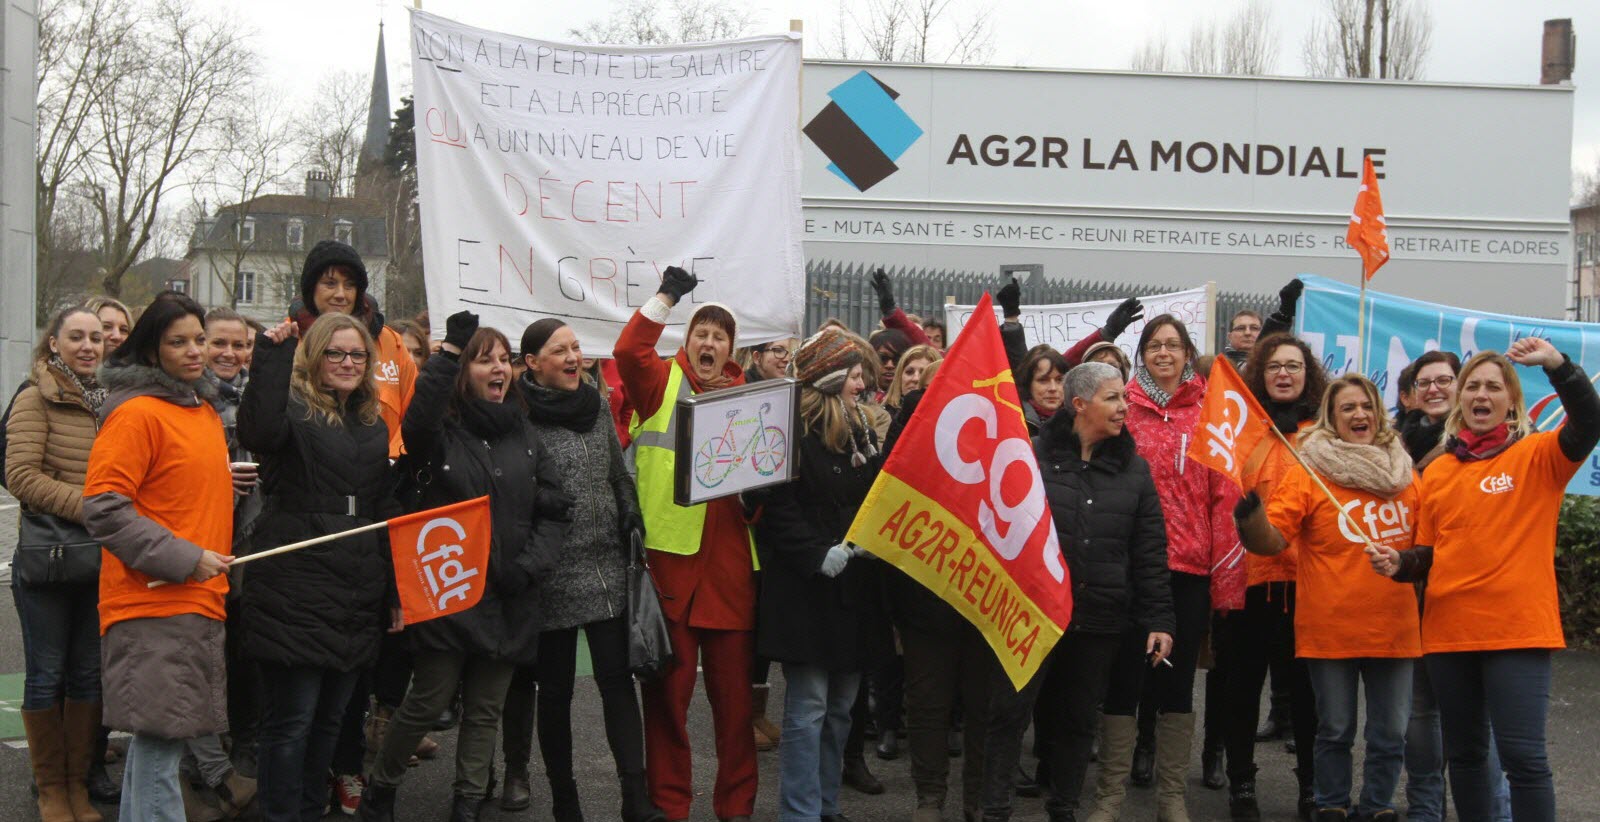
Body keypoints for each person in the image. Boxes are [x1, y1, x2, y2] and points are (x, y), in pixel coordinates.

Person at [1370, 337, 1600, 822]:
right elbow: (1431, 552)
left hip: (1516, 631)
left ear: (1510, 400)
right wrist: (1400, 564)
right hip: (1449, 633)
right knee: (1467, 758)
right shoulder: (1438, 471)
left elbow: (1589, 421)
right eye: (1472, 385)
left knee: (1524, 760)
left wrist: (1558, 365)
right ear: (1460, 399)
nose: (1481, 394)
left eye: (1493, 387)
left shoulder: (1540, 456)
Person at [360, 312, 570, 822]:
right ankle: (381, 789)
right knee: (426, 700)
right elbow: (417, 420)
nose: (498, 367)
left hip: (510, 594)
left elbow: (555, 509)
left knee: (484, 711)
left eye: (504, 359)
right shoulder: (440, 435)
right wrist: (450, 347)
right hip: (449, 590)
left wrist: (529, 567)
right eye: (484, 359)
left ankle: (468, 801)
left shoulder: (526, 435)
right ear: (463, 373)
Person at [988, 361, 1176, 822]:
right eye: (1113, 398)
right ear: (1079, 404)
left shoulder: (1135, 472)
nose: (1124, 407)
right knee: (1010, 714)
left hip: (1098, 617)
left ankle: (1064, 807)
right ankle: (993, 810)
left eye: (1125, 398)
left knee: (1077, 721)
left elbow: (1149, 553)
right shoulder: (1029, 457)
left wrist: (1159, 621)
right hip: (1031, 616)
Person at [1235, 374, 1422, 822]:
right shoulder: (1309, 473)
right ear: (1331, 418)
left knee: (1390, 732)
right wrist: (1250, 521)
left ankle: (1377, 805)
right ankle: (1331, 804)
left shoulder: (1407, 474)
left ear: (1378, 413)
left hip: (1394, 627)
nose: (1359, 415)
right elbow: (1272, 541)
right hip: (1330, 627)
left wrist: (1408, 560)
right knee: (1335, 729)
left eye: (1365, 406)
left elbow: (1429, 545)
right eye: (1347, 409)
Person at [233, 313, 397, 822]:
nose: (348, 363)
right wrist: (271, 357)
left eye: (358, 355)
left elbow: (382, 509)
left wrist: (391, 590)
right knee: (292, 721)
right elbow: (257, 429)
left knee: (330, 721)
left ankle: (310, 808)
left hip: (355, 586)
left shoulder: (374, 423)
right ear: (316, 355)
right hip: (295, 585)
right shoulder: (291, 407)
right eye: (336, 353)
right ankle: (282, 813)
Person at [498, 318, 663, 822]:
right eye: (559, 350)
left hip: (605, 568)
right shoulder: (517, 417)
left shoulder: (595, 405)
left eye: (575, 348)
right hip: (550, 575)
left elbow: (617, 471)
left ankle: (635, 799)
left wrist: (628, 507)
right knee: (556, 694)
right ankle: (565, 802)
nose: (573, 357)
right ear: (532, 363)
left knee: (618, 684)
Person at [82, 292, 238, 821]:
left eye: (198, 338)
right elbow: (103, 509)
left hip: (196, 600)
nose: (196, 351)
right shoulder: (136, 413)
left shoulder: (201, 411)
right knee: (160, 748)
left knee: (158, 748)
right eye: (179, 342)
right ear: (151, 352)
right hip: (152, 602)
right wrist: (184, 558)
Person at [615, 266, 759, 822]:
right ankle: (671, 806)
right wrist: (667, 296)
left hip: (728, 575)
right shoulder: (660, 384)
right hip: (671, 571)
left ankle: (737, 808)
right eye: (702, 332)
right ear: (687, 340)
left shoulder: (753, 397)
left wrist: (755, 499)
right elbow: (630, 350)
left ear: (730, 350)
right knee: (668, 705)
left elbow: (766, 480)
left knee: (736, 708)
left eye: (720, 336)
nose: (709, 342)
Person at [1087, 314, 1243, 822]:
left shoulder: (1210, 413)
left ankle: (1171, 796)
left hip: (1189, 569)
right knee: (1124, 679)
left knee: (1175, 685)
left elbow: (1225, 498)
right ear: (1143, 354)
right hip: (1129, 568)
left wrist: (1226, 584)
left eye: (1174, 345)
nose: (1164, 353)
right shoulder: (1122, 409)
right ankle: (1110, 795)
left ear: (1186, 352)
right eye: (1154, 345)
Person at [749, 327, 886, 822]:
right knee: (807, 709)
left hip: (854, 592)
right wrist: (818, 552)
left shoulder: (865, 431)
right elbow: (778, 508)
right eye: (853, 375)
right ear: (829, 380)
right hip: (807, 593)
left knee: (841, 710)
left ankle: (828, 804)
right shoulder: (790, 435)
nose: (861, 384)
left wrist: (873, 539)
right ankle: (800, 811)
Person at [1219, 333, 1326, 822]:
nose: (1284, 373)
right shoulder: (1241, 431)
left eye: (1294, 366)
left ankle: (1311, 786)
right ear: (1259, 374)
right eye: (1274, 366)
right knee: (1241, 689)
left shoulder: (1327, 433)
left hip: (1312, 583)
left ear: (1308, 375)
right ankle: (1241, 783)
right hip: (1249, 580)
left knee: (1308, 696)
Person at [6, 306, 106, 822]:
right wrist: (90, 507)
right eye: (77, 337)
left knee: (89, 674)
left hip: (98, 561)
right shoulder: (34, 396)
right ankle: (50, 791)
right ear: (54, 344)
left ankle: (76, 785)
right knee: (46, 674)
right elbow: (19, 474)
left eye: (96, 337)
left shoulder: (106, 402)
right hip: (48, 560)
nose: (89, 345)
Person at [291, 239, 416, 459]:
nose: (341, 294)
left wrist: (394, 459)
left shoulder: (390, 343)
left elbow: (415, 411)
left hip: (383, 476)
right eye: (330, 283)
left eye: (349, 285)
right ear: (311, 289)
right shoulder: (288, 341)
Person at [1220, 279, 1303, 369]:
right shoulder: (1220, 367)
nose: (1248, 333)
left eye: (1254, 328)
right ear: (1229, 336)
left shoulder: (1278, 367)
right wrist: (1283, 315)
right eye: (1241, 328)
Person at [1017, 347, 1069, 436]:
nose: (1053, 388)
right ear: (1028, 384)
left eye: (1059, 380)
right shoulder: (1016, 422)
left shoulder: (1081, 422)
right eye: (1043, 380)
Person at [883, 344, 940, 419]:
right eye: (909, 372)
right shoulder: (883, 416)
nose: (915, 379)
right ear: (899, 377)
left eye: (923, 373)